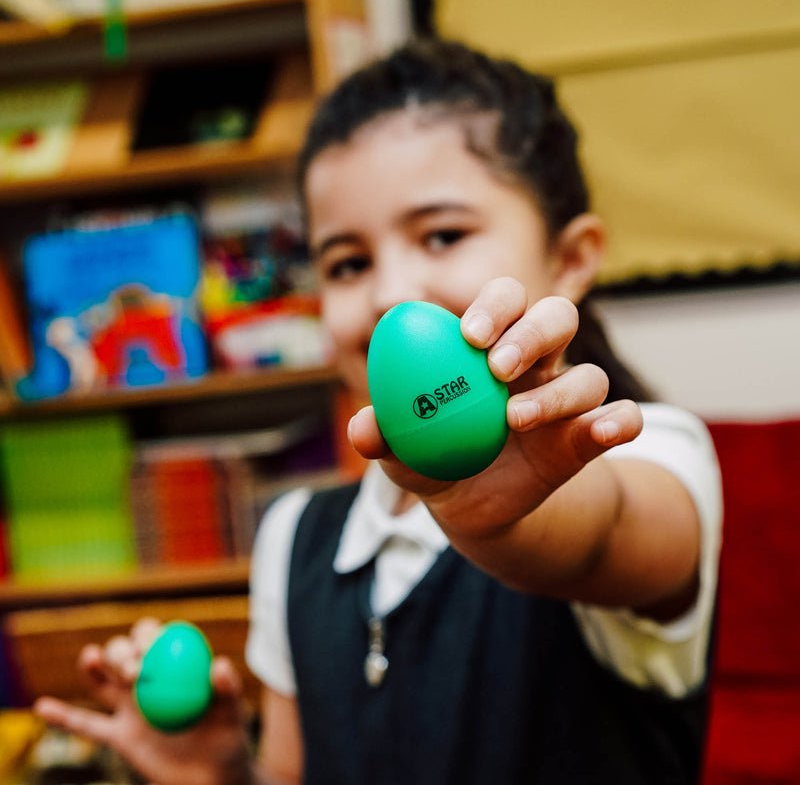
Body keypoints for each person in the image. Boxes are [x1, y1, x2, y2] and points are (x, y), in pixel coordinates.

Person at [34, 38, 723, 785]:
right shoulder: (294, 538)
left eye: (443, 234)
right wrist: (218, 771)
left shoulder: (650, 452)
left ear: (572, 257)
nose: (391, 291)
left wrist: (506, 517)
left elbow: (601, 533)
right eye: (346, 262)